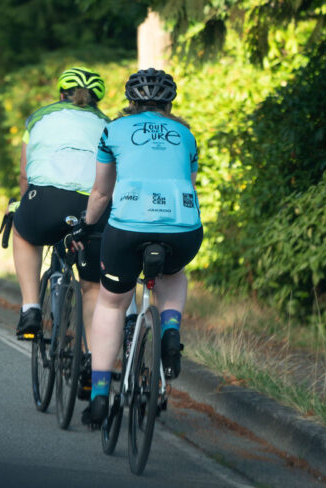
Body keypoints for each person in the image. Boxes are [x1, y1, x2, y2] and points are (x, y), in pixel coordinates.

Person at [72, 68, 203, 424]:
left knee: (112, 303)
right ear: (169, 102)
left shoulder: (112, 130)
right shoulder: (187, 135)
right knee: (173, 275)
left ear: (131, 101)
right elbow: (189, 184)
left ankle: (99, 395)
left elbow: (101, 193)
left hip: (128, 225)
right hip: (183, 227)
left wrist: (86, 225)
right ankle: (171, 328)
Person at [12, 67, 111, 359]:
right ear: (97, 100)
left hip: (45, 198)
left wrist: (26, 204)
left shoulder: (39, 117)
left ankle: (30, 308)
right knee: (92, 287)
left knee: (23, 232)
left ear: (61, 94)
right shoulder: (108, 124)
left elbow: (23, 174)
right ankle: (91, 365)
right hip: (92, 207)